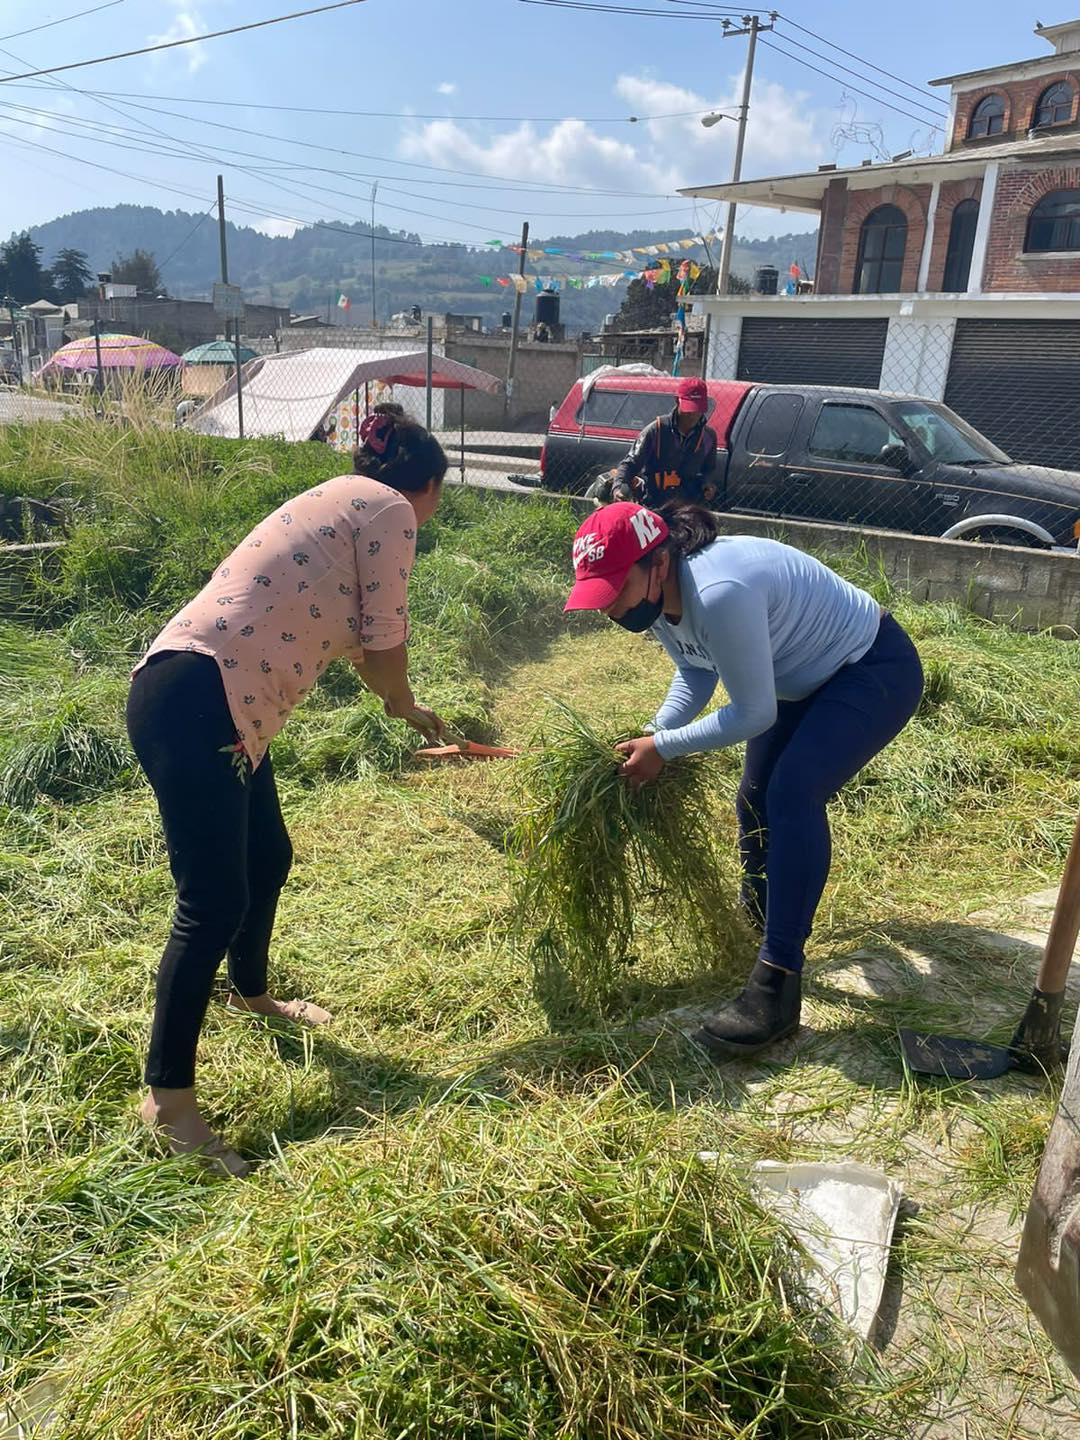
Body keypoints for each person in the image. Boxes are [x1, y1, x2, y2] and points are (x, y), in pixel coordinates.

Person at [127, 413, 449, 1175]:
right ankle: (167, 1101)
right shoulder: (390, 508)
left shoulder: (339, 493)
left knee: (267, 856)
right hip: (203, 698)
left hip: (212, 698)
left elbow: (365, 649)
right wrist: (404, 704)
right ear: (428, 484)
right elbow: (383, 642)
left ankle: (249, 994)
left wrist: (395, 698)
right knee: (211, 902)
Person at [563, 501, 924, 1060]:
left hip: (871, 668)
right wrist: (653, 731)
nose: (611, 609)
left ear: (657, 563)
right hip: (801, 682)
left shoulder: (718, 593)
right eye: (601, 597)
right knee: (753, 798)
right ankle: (763, 916)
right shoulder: (660, 599)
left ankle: (776, 984)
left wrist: (663, 747)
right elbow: (695, 671)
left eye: (616, 589)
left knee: (791, 793)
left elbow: (754, 714)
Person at [605, 376, 719, 508]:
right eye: (689, 409)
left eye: (697, 410)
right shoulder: (656, 430)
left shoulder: (708, 437)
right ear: (677, 401)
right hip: (653, 504)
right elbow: (630, 464)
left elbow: (709, 470)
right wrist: (618, 487)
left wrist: (708, 484)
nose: (693, 415)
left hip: (688, 508)